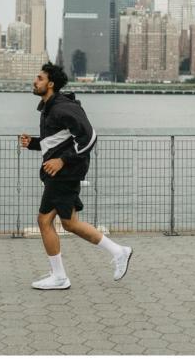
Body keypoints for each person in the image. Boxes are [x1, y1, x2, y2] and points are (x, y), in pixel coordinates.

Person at [19, 62, 133, 290]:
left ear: (50, 84)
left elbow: (89, 138)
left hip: (64, 174)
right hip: (62, 173)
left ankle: (60, 277)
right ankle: (119, 251)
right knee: (70, 223)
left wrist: (62, 161)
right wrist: (33, 143)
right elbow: (57, 142)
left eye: (39, 78)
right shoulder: (49, 108)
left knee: (44, 221)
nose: (35, 81)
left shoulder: (63, 108)